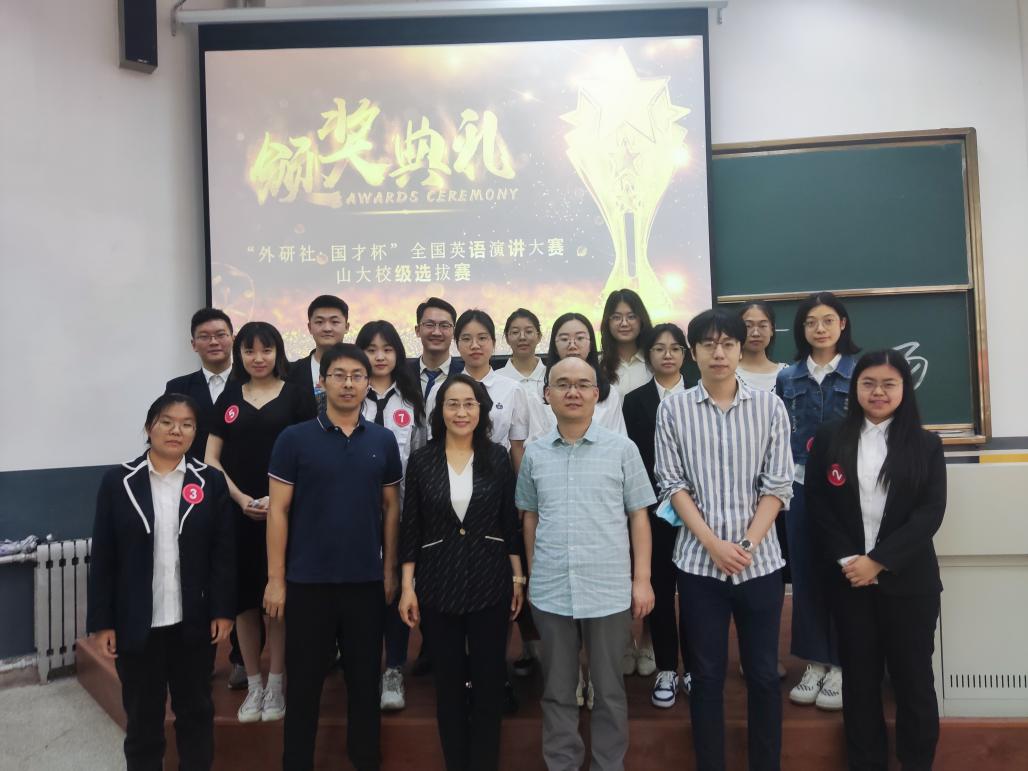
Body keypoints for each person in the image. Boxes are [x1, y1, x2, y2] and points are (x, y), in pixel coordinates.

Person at [655, 309, 794, 771]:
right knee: (706, 676)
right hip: (699, 566)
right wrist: (714, 545)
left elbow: (778, 486)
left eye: (728, 344)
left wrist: (747, 545)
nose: (719, 353)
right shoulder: (673, 409)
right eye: (709, 344)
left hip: (760, 563)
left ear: (740, 348)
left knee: (764, 675)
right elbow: (672, 485)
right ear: (692, 352)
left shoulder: (770, 407)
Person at [265, 343, 402, 771]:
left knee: (364, 683)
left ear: (368, 383)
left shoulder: (382, 440)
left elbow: (391, 508)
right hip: (308, 582)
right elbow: (278, 511)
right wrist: (276, 579)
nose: (348, 383)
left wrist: (389, 570)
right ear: (322, 382)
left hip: (365, 583)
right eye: (338, 375)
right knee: (304, 685)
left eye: (357, 376)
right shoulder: (294, 439)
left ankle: (365, 760)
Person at [807, 350, 946, 771]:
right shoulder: (830, 437)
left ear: (904, 388)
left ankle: (917, 763)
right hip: (850, 582)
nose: (878, 392)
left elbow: (929, 514)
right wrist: (853, 562)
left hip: (910, 585)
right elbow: (818, 505)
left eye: (889, 384)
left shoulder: (926, 444)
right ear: (856, 388)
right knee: (860, 682)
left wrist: (879, 561)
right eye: (868, 383)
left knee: (913, 681)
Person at [517, 356, 656, 771]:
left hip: (607, 587)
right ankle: (562, 763)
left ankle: (608, 764)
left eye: (582, 385)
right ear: (547, 394)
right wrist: (533, 574)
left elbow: (639, 516)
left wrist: (642, 579)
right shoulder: (535, 453)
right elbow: (530, 516)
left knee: (609, 690)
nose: (572, 392)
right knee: (558, 690)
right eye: (562, 384)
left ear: (597, 394)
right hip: (552, 588)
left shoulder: (622, 449)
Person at [87, 393, 235, 771]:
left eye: (187, 425)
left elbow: (223, 553)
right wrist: (102, 622)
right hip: (138, 625)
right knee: (143, 722)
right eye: (167, 422)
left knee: (196, 714)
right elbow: (104, 557)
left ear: (196, 433)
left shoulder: (210, 481)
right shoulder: (118, 482)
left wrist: (222, 610)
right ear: (149, 427)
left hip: (193, 623)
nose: (176, 431)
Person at [398, 375, 525, 771]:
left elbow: (509, 523)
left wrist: (517, 577)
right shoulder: (422, 461)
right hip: (438, 582)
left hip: (491, 579)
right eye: (452, 404)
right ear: (441, 411)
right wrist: (407, 587)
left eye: (469, 403)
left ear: (481, 409)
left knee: (489, 684)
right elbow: (411, 527)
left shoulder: (497, 458)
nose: (461, 412)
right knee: (449, 686)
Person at [205, 321, 316, 723]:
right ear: (239, 355)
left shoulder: (298, 396)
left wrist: (278, 498)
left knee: (278, 602)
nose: (258, 358)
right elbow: (211, 459)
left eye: (266, 350)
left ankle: (276, 685)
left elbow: (310, 454)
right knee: (245, 604)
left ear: (278, 353)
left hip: (285, 514)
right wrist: (240, 498)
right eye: (249, 351)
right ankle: (253, 684)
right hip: (238, 515)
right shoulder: (230, 398)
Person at [776, 291, 861, 711]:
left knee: (844, 573)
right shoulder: (787, 377)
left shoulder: (861, 370)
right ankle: (814, 662)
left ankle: (843, 663)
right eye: (811, 322)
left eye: (828, 320)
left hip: (851, 489)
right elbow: (776, 435)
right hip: (800, 486)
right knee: (806, 575)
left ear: (842, 324)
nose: (820, 329)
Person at [355, 320, 428, 712]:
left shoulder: (412, 399)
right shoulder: (350, 395)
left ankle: (394, 668)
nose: (380, 356)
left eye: (387, 349)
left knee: (398, 587)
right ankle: (364, 666)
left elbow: (421, 455)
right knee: (364, 590)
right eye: (371, 349)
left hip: (401, 510)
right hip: (356, 513)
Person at [622, 323, 691, 707]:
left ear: (685, 354)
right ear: (648, 356)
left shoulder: (700, 394)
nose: (667, 354)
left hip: (699, 511)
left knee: (695, 593)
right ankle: (666, 667)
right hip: (653, 510)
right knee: (661, 590)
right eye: (659, 348)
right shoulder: (634, 401)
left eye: (675, 348)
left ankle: (694, 667)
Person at [429, 310, 528, 471]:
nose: (475, 345)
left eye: (482, 338)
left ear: (493, 343)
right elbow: (433, 441)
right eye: (466, 339)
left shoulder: (513, 389)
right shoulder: (439, 390)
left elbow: (517, 447)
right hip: (449, 474)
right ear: (457, 344)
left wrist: (521, 486)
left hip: (498, 474)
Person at [526, 312, 627, 441]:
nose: (572, 345)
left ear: (591, 344)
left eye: (580, 338)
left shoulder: (609, 393)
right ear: (555, 347)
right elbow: (535, 445)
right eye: (564, 339)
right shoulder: (538, 394)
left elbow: (619, 441)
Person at [165, 308, 234, 461]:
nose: (214, 342)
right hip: (193, 472)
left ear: (233, 339)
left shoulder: (250, 383)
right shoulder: (177, 388)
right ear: (194, 344)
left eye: (220, 335)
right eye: (204, 337)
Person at [286, 295, 350, 410]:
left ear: (346, 327)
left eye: (334, 322)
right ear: (309, 327)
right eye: (319, 322)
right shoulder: (290, 372)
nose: (327, 328)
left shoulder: (362, 370)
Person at [599, 288, 654, 397]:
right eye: (616, 317)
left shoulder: (654, 361)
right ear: (607, 322)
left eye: (631, 317)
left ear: (641, 320)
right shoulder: (598, 365)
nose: (624, 323)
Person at [408, 297, 464, 400]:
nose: (436, 332)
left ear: (454, 332)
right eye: (429, 325)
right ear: (417, 330)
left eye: (444, 325)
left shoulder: (465, 374)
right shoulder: (402, 374)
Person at [497, 308, 546, 402]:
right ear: (507, 338)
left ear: (539, 336)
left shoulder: (552, 376)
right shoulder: (496, 379)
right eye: (515, 332)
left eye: (529, 331)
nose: (522, 337)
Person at [736, 302, 786, 393]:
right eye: (748, 326)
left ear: (772, 330)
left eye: (762, 326)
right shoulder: (727, 373)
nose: (756, 333)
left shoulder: (787, 373)